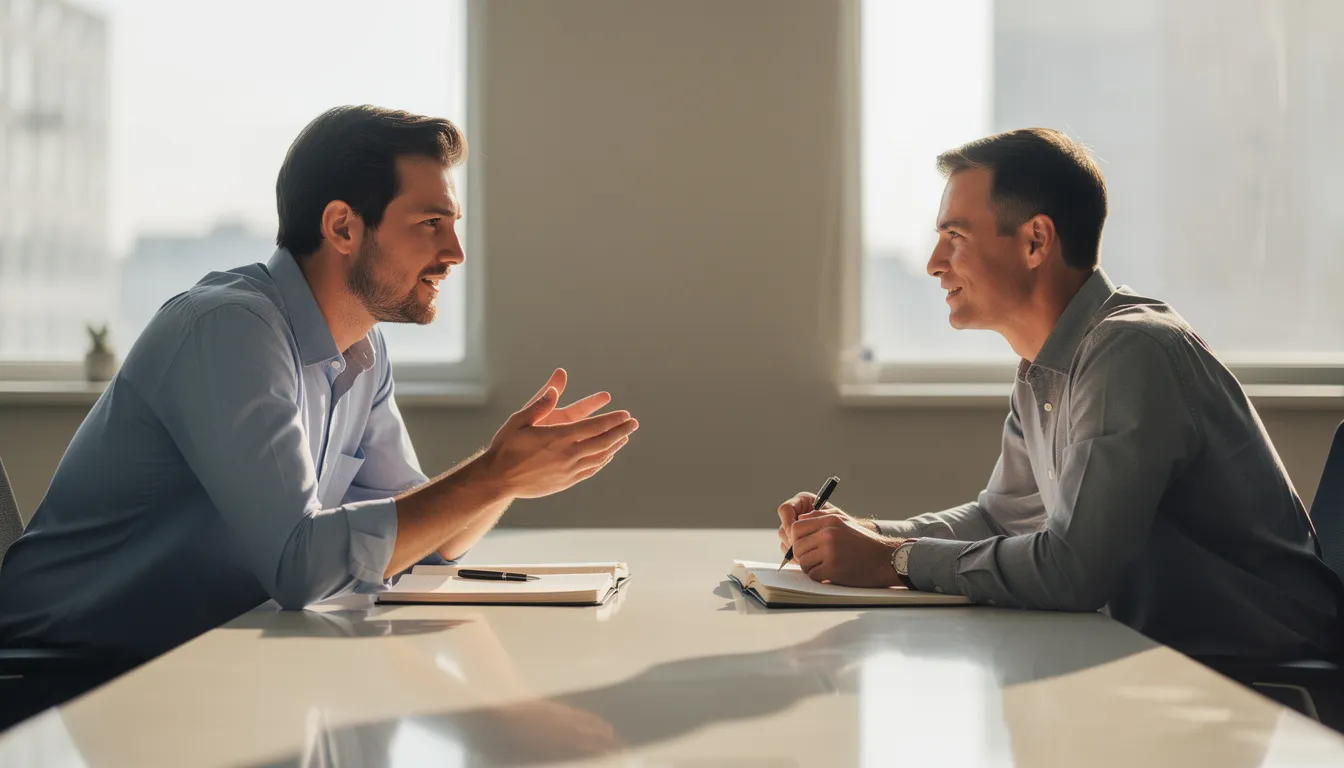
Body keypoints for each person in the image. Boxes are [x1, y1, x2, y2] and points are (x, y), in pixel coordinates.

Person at [0, 106, 639, 665]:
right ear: (341, 228)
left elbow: (419, 541)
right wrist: (491, 476)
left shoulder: (362, 349)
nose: (455, 252)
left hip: (200, 660)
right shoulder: (229, 328)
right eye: (430, 224)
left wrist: (511, 477)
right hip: (63, 673)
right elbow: (299, 566)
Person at [777, 128, 1344, 659]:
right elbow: (1001, 520)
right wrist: (858, 536)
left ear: (1035, 241)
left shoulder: (1131, 351)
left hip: (1269, 684)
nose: (933, 264)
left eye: (955, 235)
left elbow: (1073, 571)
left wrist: (895, 561)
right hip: (1169, 667)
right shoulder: (1044, 368)